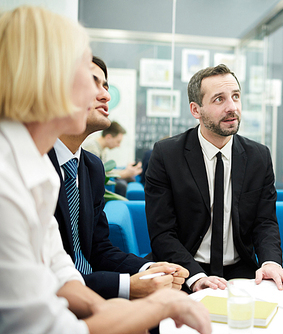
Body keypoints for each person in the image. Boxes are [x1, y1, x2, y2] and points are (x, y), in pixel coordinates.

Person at [0, 6, 211, 334]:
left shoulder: (35, 165)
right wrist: (156, 304)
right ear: (49, 78)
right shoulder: (5, 181)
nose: (103, 94)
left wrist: (115, 307)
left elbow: (62, 273)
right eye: (89, 73)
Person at [145, 64, 283, 292]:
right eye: (219, 99)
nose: (232, 107)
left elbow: (264, 222)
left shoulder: (259, 156)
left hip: (241, 269)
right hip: (185, 268)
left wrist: (270, 262)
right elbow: (162, 232)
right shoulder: (167, 155)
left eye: (236, 96)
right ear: (196, 110)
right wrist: (196, 277)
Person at [48, 55, 189, 299]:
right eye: (93, 84)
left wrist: (147, 270)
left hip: (91, 291)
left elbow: (98, 248)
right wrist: (127, 287)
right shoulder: (32, 165)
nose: (106, 95)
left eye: (105, 85)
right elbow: (45, 275)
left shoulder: (91, 167)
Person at [83, 121, 142, 196]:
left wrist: (125, 171)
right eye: (118, 141)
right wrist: (124, 174)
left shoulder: (102, 149)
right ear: (108, 137)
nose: (118, 145)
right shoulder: (92, 147)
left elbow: (105, 170)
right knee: (121, 185)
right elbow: (97, 174)